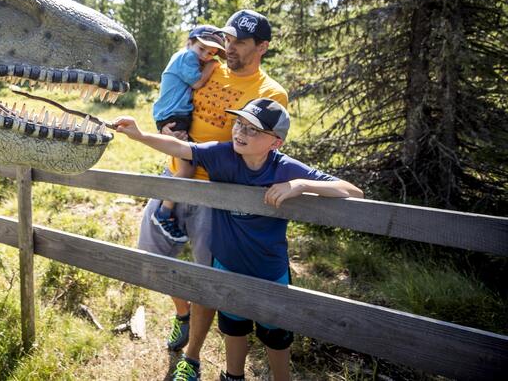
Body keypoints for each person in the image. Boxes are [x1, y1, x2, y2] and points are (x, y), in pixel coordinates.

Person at [115, 99, 362, 381]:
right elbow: (182, 148)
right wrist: (140, 135)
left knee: (275, 336)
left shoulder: (284, 168)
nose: (240, 133)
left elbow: (352, 192)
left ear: (276, 142)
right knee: (233, 328)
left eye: (253, 130)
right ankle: (233, 376)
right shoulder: (223, 155)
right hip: (227, 265)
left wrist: (300, 185)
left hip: (269, 272)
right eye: (239, 124)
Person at [137, 9, 288, 359]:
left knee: (207, 278)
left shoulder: (270, 93)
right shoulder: (210, 68)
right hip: (174, 175)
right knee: (152, 256)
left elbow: (261, 151)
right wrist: (165, 129)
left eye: (241, 42)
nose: (229, 47)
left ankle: (191, 357)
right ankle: (182, 314)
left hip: (217, 194)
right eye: (229, 39)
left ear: (262, 47)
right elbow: (174, 99)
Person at [150, 25, 225, 244]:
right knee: (187, 167)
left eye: (211, 53)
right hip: (175, 116)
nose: (206, 55)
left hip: (172, 116)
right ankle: (163, 212)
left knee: (186, 164)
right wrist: (212, 66)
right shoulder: (186, 58)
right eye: (202, 48)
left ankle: (167, 210)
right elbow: (198, 82)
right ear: (189, 43)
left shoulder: (185, 57)